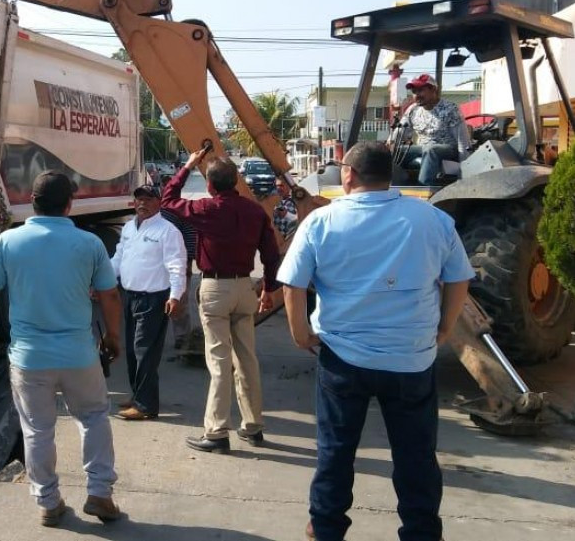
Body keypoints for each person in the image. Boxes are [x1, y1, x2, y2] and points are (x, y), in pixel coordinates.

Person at [276, 141, 474, 541]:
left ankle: (327, 529)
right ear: (391, 175)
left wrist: (300, 333)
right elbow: (459, 278)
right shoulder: (432, 219)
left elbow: (292, 283)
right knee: (416, 455)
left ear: (348, 174)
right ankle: (421, 532)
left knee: (336, 450)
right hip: (411, 360)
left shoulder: (320, 221)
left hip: (342, 358)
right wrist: (444, 328)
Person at [0, 171, 124, 527]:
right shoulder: (89, 244)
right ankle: (100, 493)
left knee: (38, 429)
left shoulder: (8, 242)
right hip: (79, 354)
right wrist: (113, 336)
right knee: (93, 418)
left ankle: (48, 502)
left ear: (32, 201)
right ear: (69, 204)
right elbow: (110, 295)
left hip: (29, 357)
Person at [162, 150, 280, 453]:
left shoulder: (205, 208)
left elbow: (168, 199)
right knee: (247, 359)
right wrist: (269, 288)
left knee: (219, 362)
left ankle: (216, 431)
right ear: (236, 182)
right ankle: (253, 427)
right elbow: (270, 254)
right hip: (245, 288)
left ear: (211, 185)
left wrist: (188, 165)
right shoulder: (255, 211)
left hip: (215, 288)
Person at [110, 185, 186, 420]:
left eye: (148, 199)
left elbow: (177, 266)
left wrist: (175, 295)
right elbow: (118, 257)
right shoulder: (129, 228)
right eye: (139, 199)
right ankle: (137, 395)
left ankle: (146, 406)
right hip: (130, 296)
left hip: (154, 299)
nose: (142, 203)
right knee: (132, 350)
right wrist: (105, 281)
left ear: (159, 202)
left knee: (146, 351)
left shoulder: (167, 231)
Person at [393, 74, 472, 185]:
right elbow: (401, 131)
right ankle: (394, 186)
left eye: (420, 90)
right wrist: (390, 143)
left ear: (433, 89)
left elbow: (462, 140)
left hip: (447, 149)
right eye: (414, 92)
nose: (417, 95)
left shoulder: (450, 109)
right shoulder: (413, 109)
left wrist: (465, 169)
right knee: (394, 151)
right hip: (423, 148)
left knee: (431, 150)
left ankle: (423, 190)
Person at [161, 206, 198, 350]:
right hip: (156, 264)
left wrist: (187, 265)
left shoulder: (183, 210)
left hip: (177, 264)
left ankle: (182, 338)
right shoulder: (155, 213)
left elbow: (189, 240)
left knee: (179, 301)